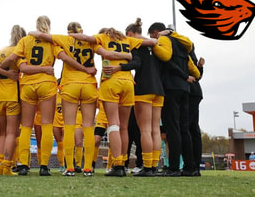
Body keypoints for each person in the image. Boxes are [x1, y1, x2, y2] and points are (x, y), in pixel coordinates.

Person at [29, 22, 131, 176]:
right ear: (81, 31)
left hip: (70, 84)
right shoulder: (91, 42)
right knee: (89, 127)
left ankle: (69, 168)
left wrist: (37, 32)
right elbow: (106, 52)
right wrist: (128, 56)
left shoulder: (63, 39)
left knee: (69, 127)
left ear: (69, 32)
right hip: (89, 84)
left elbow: (37, 34)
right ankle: (88, 168)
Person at [71, 27, 157, 177]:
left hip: (111, 80)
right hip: (128, 82)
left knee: (114, 124)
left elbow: (85, 38)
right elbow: (153, 42)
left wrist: (70, 34)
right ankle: (123, 163)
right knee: (124, 127)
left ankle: (117, 165)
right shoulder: (128, 40)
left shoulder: (103, 38)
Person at [0, 16, 63, 176]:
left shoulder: (25, 41)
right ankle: (44, 166)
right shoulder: (52, 40)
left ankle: (23, 165)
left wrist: (0, 67)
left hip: (27, 84)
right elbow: (63, 56)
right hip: (47, 83)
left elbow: (13, 59)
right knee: (47, 124)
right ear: (48, 25)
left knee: (26, 126)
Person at [149, 22, 200, 176]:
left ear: (157, 32)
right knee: (185, 129)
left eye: (153, 36)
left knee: (172, 129)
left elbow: (167, 61)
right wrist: (189, 76)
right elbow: (194, 69)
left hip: (170, 87)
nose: (153, 39)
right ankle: (190, 168)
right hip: (186, 89)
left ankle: (173, 168)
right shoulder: (182, 44)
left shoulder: (164, 41)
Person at [0, 25, 27, 175]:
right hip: (12, 94)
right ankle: (7, 165)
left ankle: (0, 164)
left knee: (2, 133)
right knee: (11, 133)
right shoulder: (19, 50)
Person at [188, 45, 205, 176]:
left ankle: (192, 165)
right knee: (193, 129)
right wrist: (200, 67)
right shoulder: (191, 57)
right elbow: (198, 76)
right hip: (195, 92)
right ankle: (195, 166)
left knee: (188, 128)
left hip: (189, 93)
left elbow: (197, 76)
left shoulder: (185, 57)